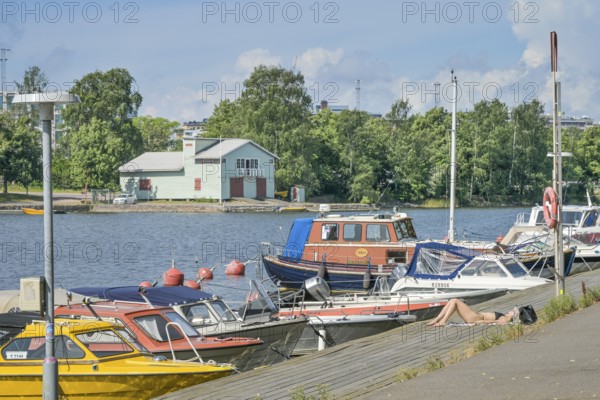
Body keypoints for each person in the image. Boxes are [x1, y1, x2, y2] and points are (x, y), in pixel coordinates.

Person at [427, 298, 518, 327]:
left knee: (455, 301)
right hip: (475, 316)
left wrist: (479, 322)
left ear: (513, 315)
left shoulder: (506, 318)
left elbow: (496, 322)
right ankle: (437, 319)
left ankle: (442, 321)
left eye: (513, 311)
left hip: (475, 318)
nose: (511, 310)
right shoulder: (505, 315)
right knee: (452, 301)